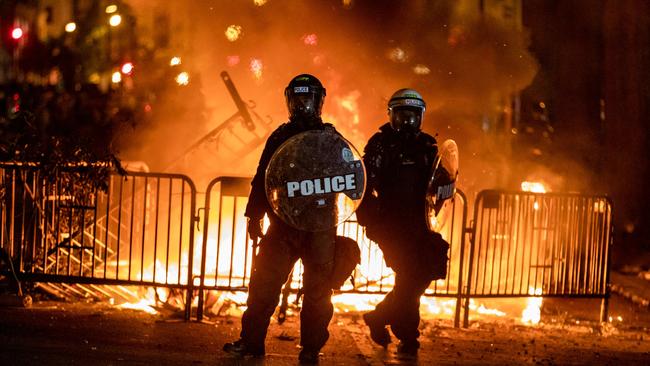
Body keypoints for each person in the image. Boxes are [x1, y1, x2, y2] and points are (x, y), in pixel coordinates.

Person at [223, 74, 337, 364]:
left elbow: (348, 179)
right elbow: (263, 176)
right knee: (263, 286)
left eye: (307, 98)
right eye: (297, 99)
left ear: (319, 101)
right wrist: (254, 214)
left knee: (317, 295)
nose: (302, 105)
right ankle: (250, 342)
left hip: (319, 227)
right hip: (283, 225)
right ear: (289, 100)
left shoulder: (330, 138)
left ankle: (311, 348)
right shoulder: (279, 136)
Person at [356, 88, 450, 357]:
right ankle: (408, 337)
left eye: (412, 116)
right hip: (390, 225)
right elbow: (364, 183)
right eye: (402, 115)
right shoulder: (380, 144)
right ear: (392, 116)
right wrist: (371, 218)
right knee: (409, 276)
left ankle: (378, 316)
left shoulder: (428, 147)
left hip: (420, 224)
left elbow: (439, 184)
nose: (407, 121)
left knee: (425, 271)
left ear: (420, 117)